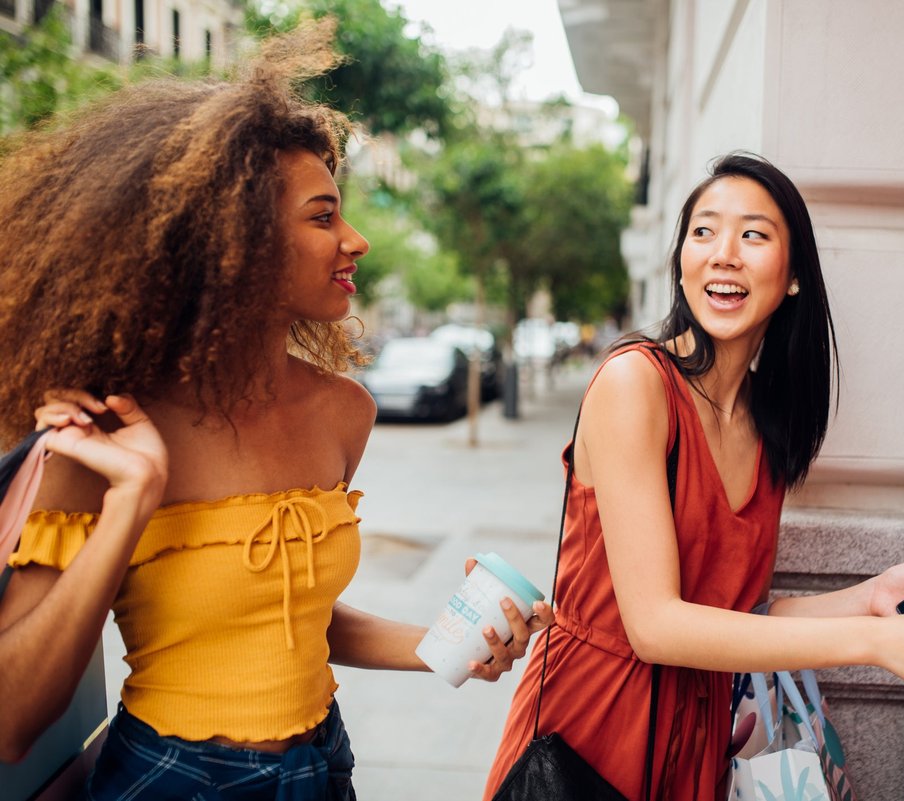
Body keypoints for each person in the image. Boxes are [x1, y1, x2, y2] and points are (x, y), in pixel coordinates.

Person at [0, 21, 552, 798]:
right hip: (171, 777)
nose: (355, 239)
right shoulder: (107, 433)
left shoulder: (342, 412)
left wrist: (441, 646)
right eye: (323, 216)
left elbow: (292, 621)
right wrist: (132, 501)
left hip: (323, 768)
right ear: (234, 237)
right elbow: (14, 717)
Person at [484, 153, 904, 801]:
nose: (723, 253)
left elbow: (737, 614)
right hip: (588, 730)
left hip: (699, 735)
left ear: (792, 277)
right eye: (703, 231)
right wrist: (875, 640)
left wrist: (873, 596)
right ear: (681, 261)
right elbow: (656, 625)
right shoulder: (634, 383)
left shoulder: (767, 423)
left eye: (753, 234)